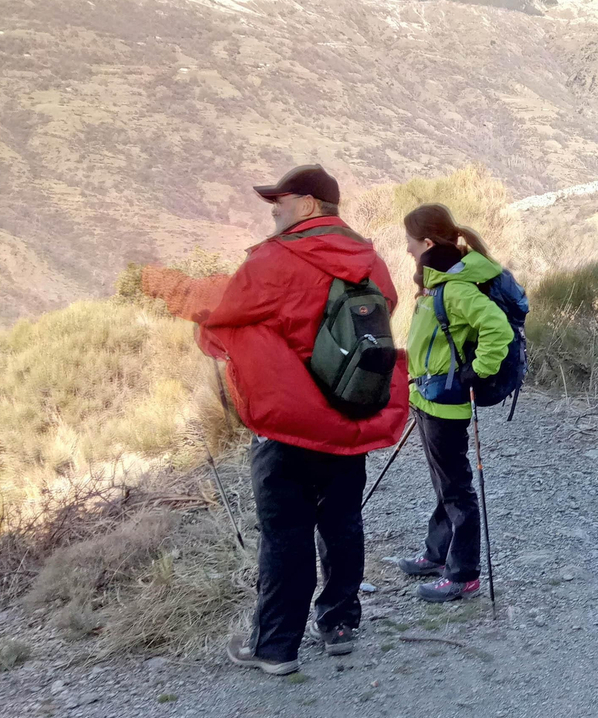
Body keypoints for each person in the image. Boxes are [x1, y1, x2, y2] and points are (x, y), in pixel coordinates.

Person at [143, 165, 408, 674]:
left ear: (308, 205)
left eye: (279, 203)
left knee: (285, 532)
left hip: (291, 424)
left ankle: (275, 646)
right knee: (342, 523)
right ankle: (339, 625)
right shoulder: (371, 260)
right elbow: (383, 309)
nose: (273, 212)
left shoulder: (279, 257)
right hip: (350, 417)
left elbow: (218, 303)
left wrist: (158, 284)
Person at [392, 203, 513, 603]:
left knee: (456, 489)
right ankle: (436, 554)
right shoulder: (436, 284)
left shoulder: (455, 288)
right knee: (444, 484)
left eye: (411, 242)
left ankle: (463, 573)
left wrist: (478, 371)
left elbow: (497, 329)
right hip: (427, 398)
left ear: (427, 243)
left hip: (445, 404)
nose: (407, 249)